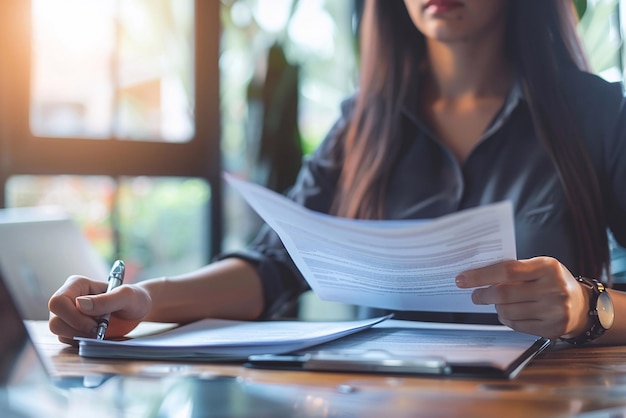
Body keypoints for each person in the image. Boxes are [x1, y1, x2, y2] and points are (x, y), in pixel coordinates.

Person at [49, 0, 626, 346]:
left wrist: (587, 306)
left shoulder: (600, 114)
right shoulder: (360, 126)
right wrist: (140, 297)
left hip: (545, 399)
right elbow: (274, 267)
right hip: (385, 397)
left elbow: (600, 305)